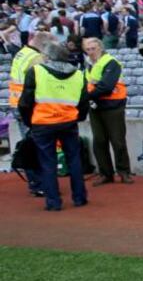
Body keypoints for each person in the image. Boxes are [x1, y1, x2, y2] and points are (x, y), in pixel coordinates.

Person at [18, 42, 90, 211]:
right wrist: (78, 117)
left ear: (48, 56)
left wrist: (30, 121)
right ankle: (80, 198)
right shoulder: (79, 74)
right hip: (68, 122)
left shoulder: (36, 71)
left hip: (43, 123)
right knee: (74, 159)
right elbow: (83, 101)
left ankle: (53, 201)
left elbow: (25, 102)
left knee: (47, 162)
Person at [8, 31, 56, 198]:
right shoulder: (36, 59)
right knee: (36, 146)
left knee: (29, 144)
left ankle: (36, 183)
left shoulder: (22, 53)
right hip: (29, 107)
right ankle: (38, 183)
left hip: (18, 103)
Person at [83, 37, 133, 185]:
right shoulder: (88, 65)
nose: (90, 52)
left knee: (117, 141)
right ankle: (106, 173)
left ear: (100, 48)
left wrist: (87, 95)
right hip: (95, 106)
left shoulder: (111, 62)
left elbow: (106, 86)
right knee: (99, 141)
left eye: (93, 49)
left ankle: (124, 172)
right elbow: (89, 83)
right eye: (88, 50)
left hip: (113, 106)